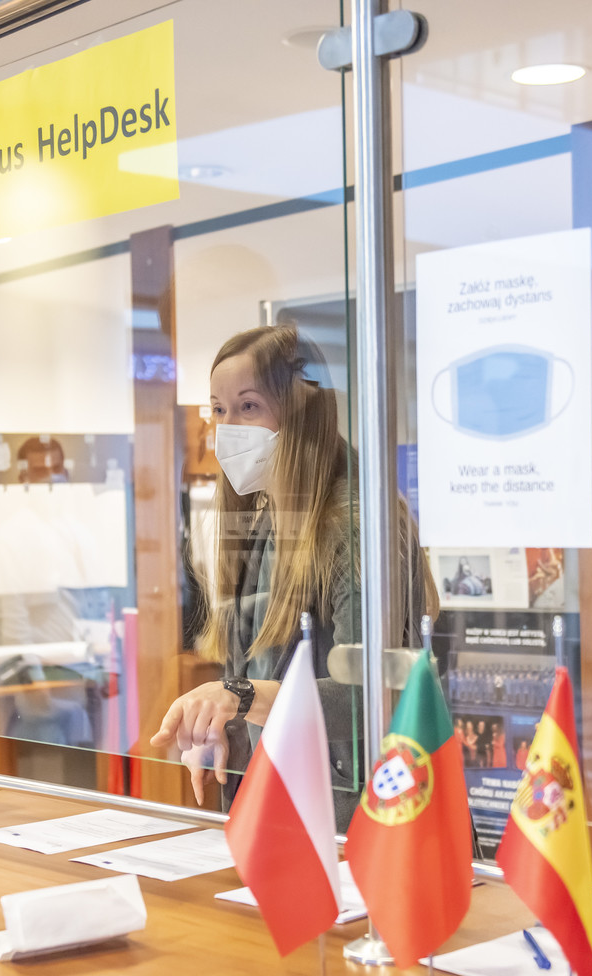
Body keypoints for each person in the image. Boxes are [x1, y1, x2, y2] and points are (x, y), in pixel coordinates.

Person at [149, 324, 436, 830]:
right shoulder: (266, 520)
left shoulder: (356, 524)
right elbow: (258, 668)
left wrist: (238, 695)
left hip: (359, 821)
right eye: (219, 409)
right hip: (281, 811)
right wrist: (220, 729)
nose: (229, 427)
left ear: (301, 411)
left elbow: (373, 692)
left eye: (249, 406)